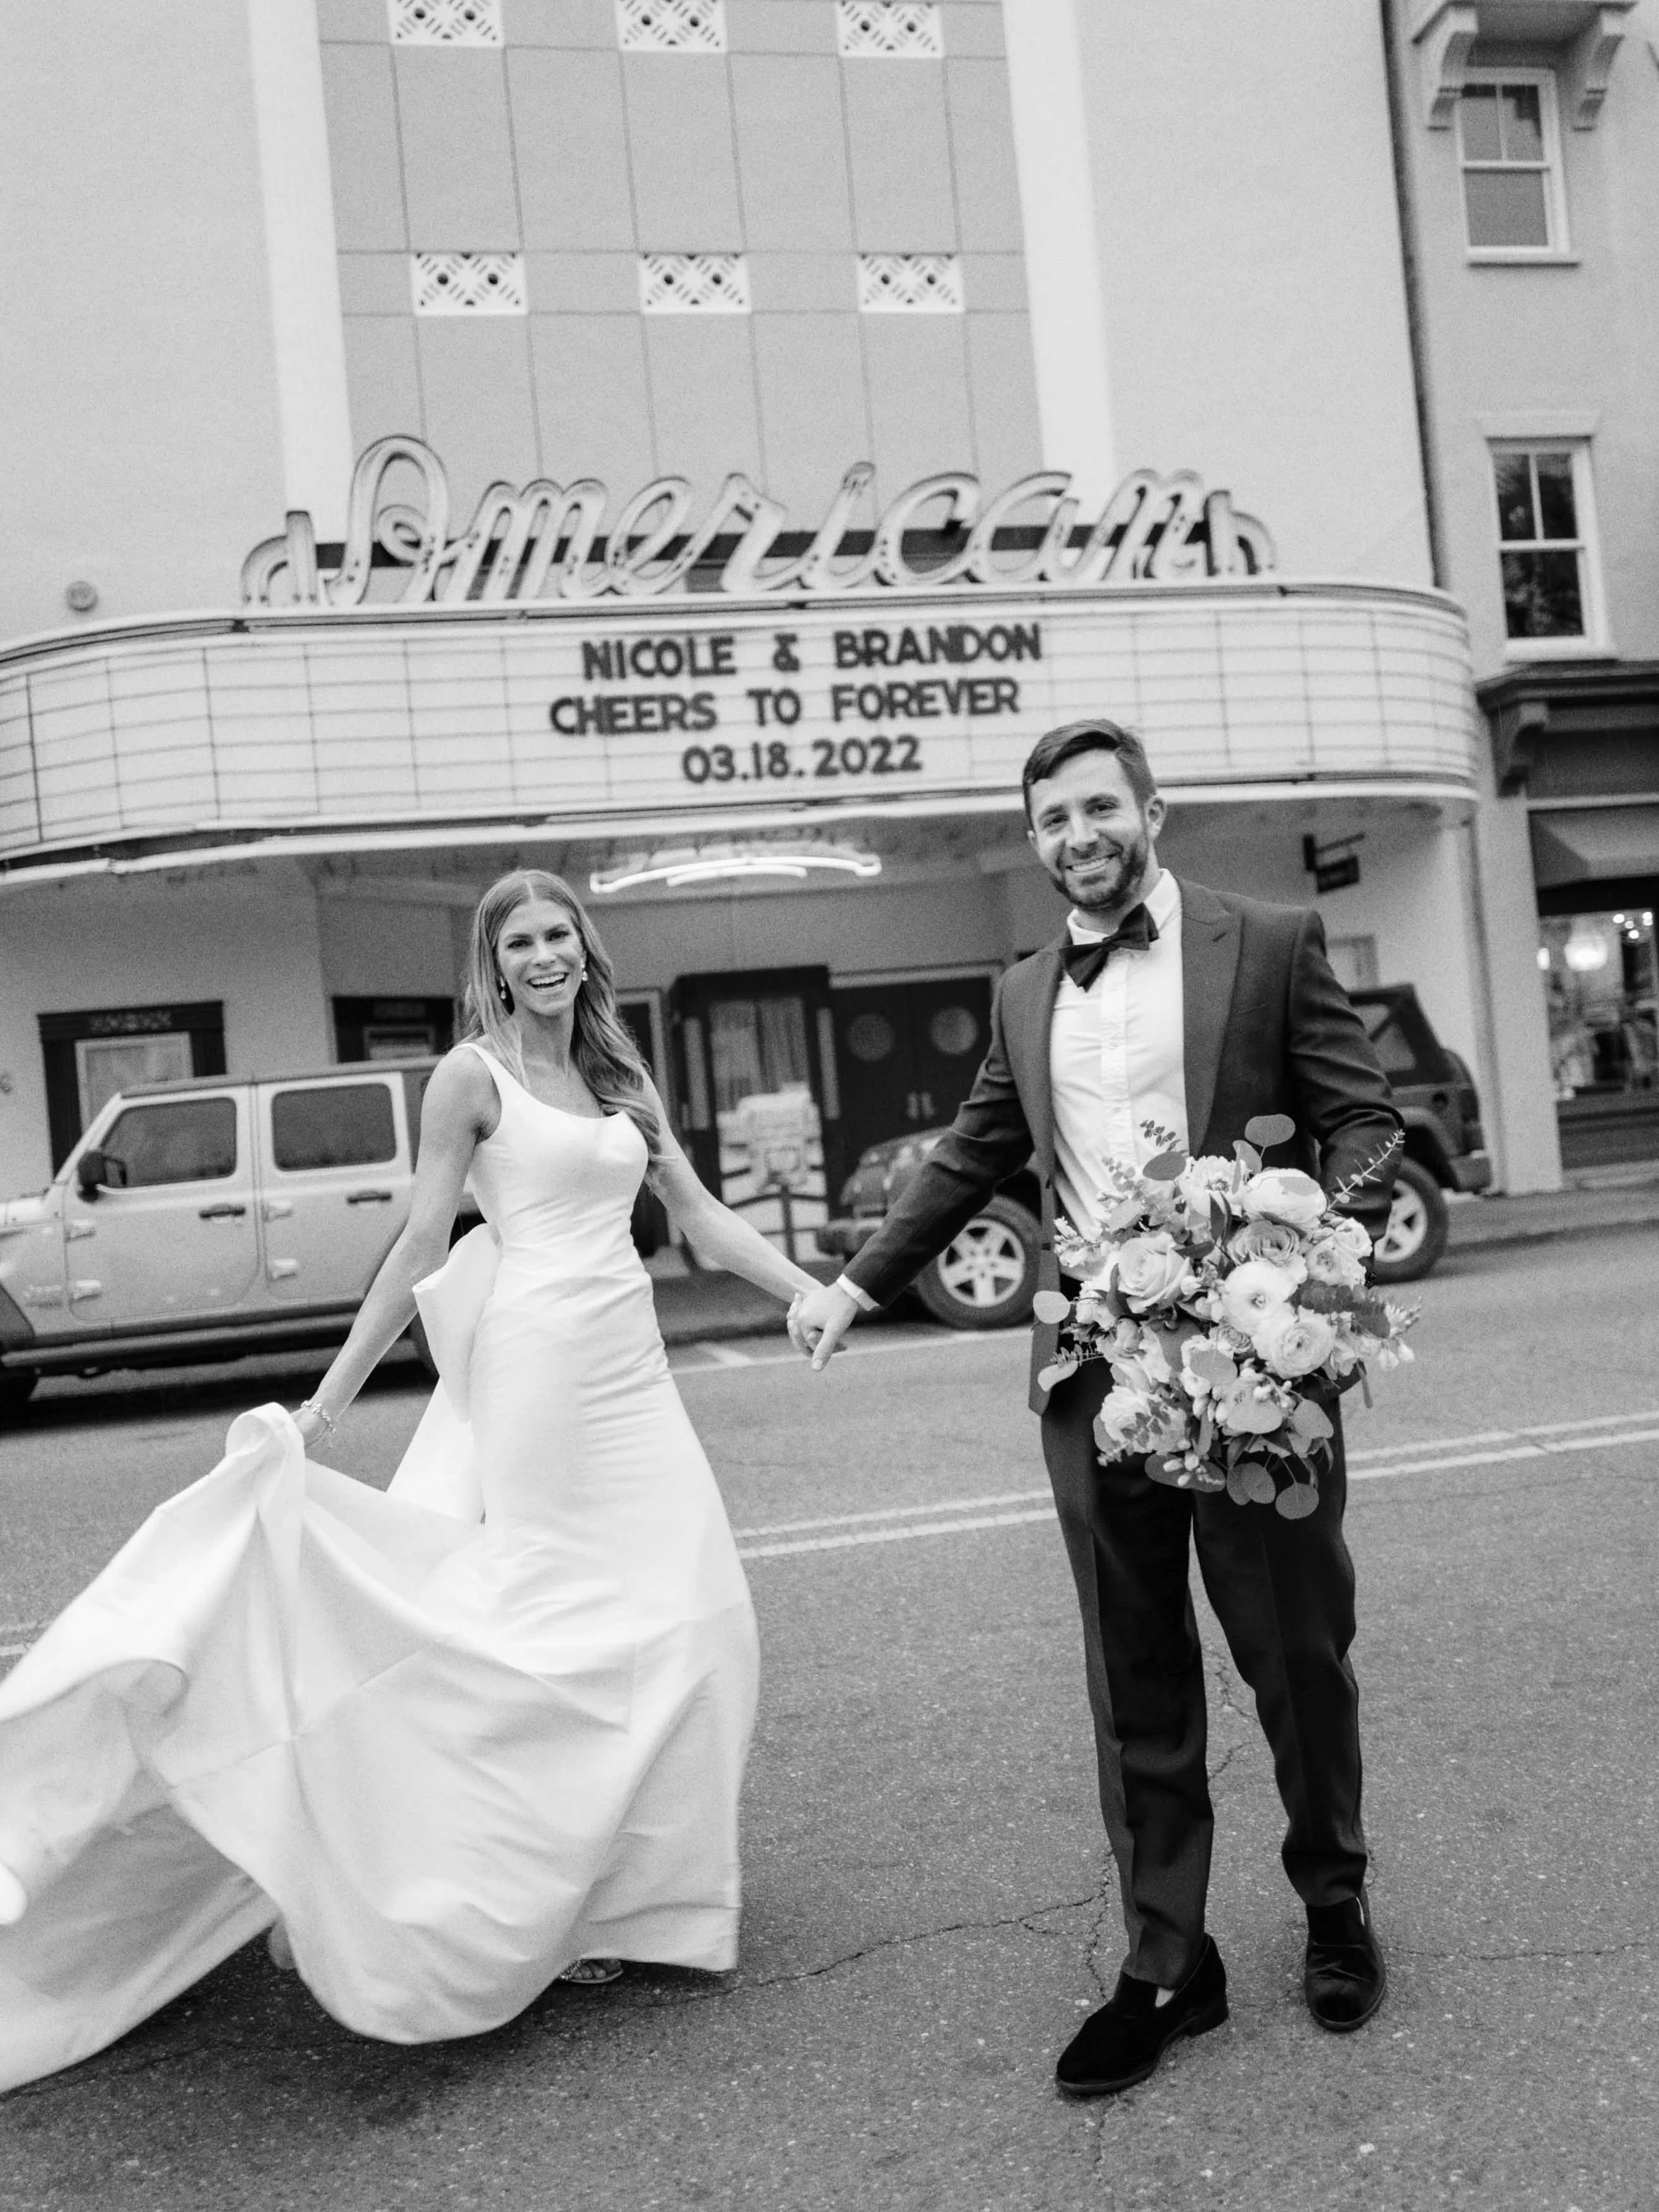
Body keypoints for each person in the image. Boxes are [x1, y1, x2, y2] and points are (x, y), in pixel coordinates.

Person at [0, 869, 824, 2092]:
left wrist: (805, 1292)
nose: (544, 956)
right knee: (555, 1625)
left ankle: (634, 1897)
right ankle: (523, 1896)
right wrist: (329, 1402)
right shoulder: (468, 1078)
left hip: (633, 1370)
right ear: (493, 963)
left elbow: (699, 1220)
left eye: (560, 936)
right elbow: (424, 1243)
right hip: (538, 1368)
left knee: (702, 1619)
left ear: (585, 950)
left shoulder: (619, 1076)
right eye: (520, 942)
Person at [790, 721, 1402, 2099]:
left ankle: (1332, 1903)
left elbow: (1365, 1126)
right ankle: (1166, 1961)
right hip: (1091, 1375)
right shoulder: (1021, 992)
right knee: (1132, 1676)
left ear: (1150, 811)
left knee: (1293, 1651)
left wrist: (1288, 1251)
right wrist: (850, 1284)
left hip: (1249, 1363)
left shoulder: (1269, 938)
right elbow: (968, 1155)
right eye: (1049, 819)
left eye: (1096, 807)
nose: (1075, 834)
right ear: (1031, 841)